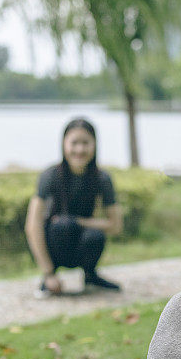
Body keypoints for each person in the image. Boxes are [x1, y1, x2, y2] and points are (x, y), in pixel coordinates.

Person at [25, 118, 123, 296]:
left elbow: (115, 225)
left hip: (81, 244)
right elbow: (32, 226)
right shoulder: (49, 176)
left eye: (85, 143)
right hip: (55, 242)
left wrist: (77, 221)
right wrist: (48, 273)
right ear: (64, 144)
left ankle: (90, 275)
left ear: (94, 145)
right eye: (74, 143)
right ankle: (50, 277)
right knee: (63, 226)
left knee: (93, 235)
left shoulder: (102, 179)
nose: (80, 149)